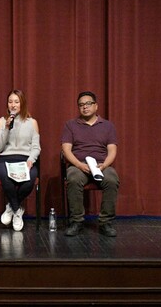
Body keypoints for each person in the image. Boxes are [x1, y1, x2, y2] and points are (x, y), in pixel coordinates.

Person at [61, 91, 120, 237]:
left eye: (88, 104)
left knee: (112, 179)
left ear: (96, 106)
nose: (85, 107)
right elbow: (66, 149)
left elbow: (112, 150)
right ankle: (77, 221)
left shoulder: (107, 126)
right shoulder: (70, 125)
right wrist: (79, 165)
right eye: (81, 105)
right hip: (79, 165)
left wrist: (105, 165)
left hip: (101, 165)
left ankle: (105, 222)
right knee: (73, 178)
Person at [0, 89, 41, 232]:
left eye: (16, 102)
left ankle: (11, 207)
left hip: (25, 160)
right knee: (5, 178)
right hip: (5, 160)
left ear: (22, 104)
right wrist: (6, 128)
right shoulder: (1, 122)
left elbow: (36, 147)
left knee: (30, 181)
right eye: (10, 102)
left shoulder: (32, 123)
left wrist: (31, 160)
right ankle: (17, 210)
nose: (13, 105)